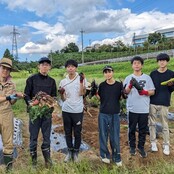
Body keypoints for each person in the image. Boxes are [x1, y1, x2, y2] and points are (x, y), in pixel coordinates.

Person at [24, 57, 57, 168]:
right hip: (34, 114)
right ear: (39, 66)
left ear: (49, 67)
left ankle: (48, 160)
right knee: (33, 137)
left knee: (46, 137)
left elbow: (54, 96)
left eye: (47, 64)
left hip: (46, 113)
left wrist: (51, 104)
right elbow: (26, 95)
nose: (44, 66)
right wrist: (31, 103)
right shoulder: (31, 79)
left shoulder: (52, 81)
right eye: (42, 64)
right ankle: (34, 162)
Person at [124, 56, 155, 158]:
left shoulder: (147, 78)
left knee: (143, 130)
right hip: (132, 108)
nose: (136, 65)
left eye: (138, 63)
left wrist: (145, 92)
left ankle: (141, 147)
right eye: (134, 63)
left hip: (144, 109)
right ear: (132, 65)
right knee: (131, 129)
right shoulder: (128, 78)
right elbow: (125, 93)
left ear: (142, 65)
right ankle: (132, 146)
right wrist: (130, 86)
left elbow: (152, 91)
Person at [59, 59, 87, 162]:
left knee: (77, 132)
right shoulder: (63, 81)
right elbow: (63, 99)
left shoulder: (82, 79)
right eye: (68, 66)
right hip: (66, 110)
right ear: (66, 68)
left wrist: (80, 82)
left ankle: (76, 152)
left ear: (76, 68)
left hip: (77, 110)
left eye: (73, 66)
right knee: (67, 131)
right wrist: (61, 93)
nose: (70, 68)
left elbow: (81, 93)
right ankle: (69, 151)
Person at [96, 65, 123, 166]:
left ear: (113, 72)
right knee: (103, 135)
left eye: (109, 71)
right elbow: (100, 98)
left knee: (115, 136)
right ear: (104, 74)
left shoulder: (119, 85)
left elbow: (121, 98)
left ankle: (117, 156)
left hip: (115, 113)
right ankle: (104, 155)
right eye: (105, 72)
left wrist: (124, 93)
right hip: (103, 113)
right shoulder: (102, 85)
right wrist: (94, 93)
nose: (107, 74)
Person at [0, 57, 23, 171]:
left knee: (8, 143)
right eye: (3, 68)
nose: (5, 71)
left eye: (8, 69)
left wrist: (16, 97)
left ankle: (9, 169)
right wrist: (9, 97)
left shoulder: (11, 84)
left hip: (6, 114)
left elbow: (11, 102)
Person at [149, 53, 174, 155]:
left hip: (164, 102)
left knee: (165, 124)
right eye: (160, 60)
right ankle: (153, 142)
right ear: (158, 62)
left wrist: (171, 86)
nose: (162, 62)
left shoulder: (171, 74)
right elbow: (150, 87)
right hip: (153, 102)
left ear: (167, 62)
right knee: (152, 124)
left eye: (164, 60)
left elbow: (172, 90)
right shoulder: (153, 74)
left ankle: (166, 144)